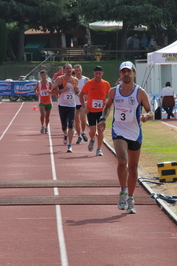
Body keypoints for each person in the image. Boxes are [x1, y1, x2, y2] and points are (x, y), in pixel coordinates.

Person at [98, 61, 154, 214]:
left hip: (135, 132)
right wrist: (103, 119)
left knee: (133, 167)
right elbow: (107, 106)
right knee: (122, 161)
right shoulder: (113, 91)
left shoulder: (140, 92)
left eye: (128, 71)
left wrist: (146, 116)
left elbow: (151, 111)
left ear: (134, 73)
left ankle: (131, 197)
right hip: (119, 130)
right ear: (120, 74)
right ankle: (123, 192)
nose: (126, 74)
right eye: (123, 72)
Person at [79, 66, 111, 156]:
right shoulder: (89, 83)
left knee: (100, 130)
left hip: (102, 111)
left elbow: (111, 95)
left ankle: (99, 149)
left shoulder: (106, 84)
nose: (97, 75)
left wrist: (108, 101)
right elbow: (81, 95)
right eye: (96, 73)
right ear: (94, 74)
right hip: (91, 111)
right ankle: (92, 139)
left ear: (102, 74)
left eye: (99, 73)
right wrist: (84, 106)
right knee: (92, 130)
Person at [51, 63, 79, 153]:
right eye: (67, 68)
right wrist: (62, 90)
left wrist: (77, 91)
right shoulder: (60, 79)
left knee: (71, 125)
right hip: (62, 105)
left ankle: (70, 145)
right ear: (64, 70)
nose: (69, 70)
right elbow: (52, 91)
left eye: (70, 68)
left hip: (72, 105)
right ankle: (65, 133)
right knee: (64, 126)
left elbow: (76, 92)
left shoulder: (75, 80)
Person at [73, 64, 89, 144]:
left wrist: (87, 95)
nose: (78, 72)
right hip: (74, 103)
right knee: (76, 121)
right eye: (77, 71)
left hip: (83, 103)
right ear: (74, 71)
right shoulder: (72, 80)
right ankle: (79, 136)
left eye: (79, 70)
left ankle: (83, 132)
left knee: (83, 119)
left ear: (81, 70)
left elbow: (90, 90)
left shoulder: (86, 79)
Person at [33, 70, 52, 134]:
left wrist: (50, 91)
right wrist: (36, 93)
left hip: (48, 102)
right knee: (42, 114)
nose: (43, 77)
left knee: (47, 116)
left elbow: (53, 90)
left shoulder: (49, 83)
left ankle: (46, 127)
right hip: (41, 101)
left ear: (46, 75)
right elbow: (34, 89)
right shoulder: (39, 83)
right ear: (40, 76)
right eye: (42, 75)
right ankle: (42, 126)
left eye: (44, 75)